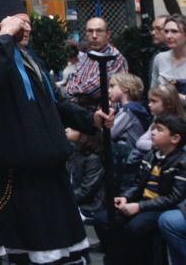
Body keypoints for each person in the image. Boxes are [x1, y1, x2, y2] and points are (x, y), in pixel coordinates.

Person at [0, 0, 113, 264]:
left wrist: (91, 119)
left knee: (62, 249)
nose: (27, 30)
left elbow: (58, 103)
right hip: (19, 172)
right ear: (4, 28)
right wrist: (4, 39)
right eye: (18, 26)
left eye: (28, 24)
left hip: (51, 168)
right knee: (30, 248)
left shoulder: (32, 59)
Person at [109, 115, 186, 263]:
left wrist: (139, 206)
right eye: (153, 128)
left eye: (159, 130)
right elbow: (138, 184)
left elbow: (175, 197)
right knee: (108, 218)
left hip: (163, 207)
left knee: (136, 227)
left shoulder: (181, 162)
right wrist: (126, 197)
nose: (153, 132)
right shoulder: (151, 155)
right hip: (143, 202)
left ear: (175, 138)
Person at [63, 16, 129, 109]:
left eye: (99, 31)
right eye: (90, 31)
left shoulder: (114, 57)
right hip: (86, 113)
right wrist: (73, 92)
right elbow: (74, 77)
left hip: (107, 115)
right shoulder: (87, 55)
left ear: (108, 34)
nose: (94, 36)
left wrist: (71, 93)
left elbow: (93, 89)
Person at [110, 72, 150, 181]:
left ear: (126, 88)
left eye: (112, 86)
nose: (109, 90)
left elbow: (109, 133)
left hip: (128, 160)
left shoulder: (129, 111)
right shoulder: (135, 108)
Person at [65, 127, 104, 224]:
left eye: (73, 128)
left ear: (85, 135)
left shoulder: (94, 158)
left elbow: (86, 191)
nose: (67, 129)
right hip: (73, 198)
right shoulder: (75, 150)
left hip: (89, 206)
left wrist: (63, 198)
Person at [152, 14, 186, 96]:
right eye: (166, 31)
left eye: (174, 31)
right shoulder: (159, 58)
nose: (168, 36)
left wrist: (179, 99)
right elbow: (153, 93)